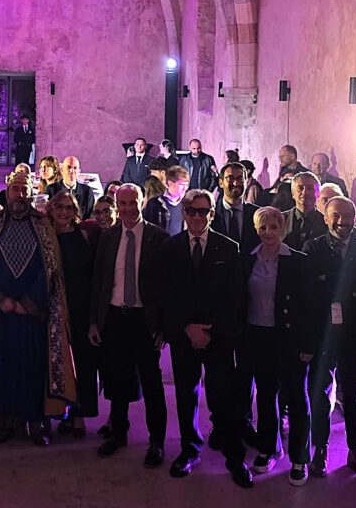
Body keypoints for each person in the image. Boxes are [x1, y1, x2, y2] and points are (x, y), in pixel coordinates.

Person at [0, 171, 75, 445]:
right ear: (7, 192)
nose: (20, 195)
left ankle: (35, 422)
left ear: (31, 193)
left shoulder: (43, 224)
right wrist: (1, 300)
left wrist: (28, 303)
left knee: (34, 366)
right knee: (2, 365)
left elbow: (50, 269)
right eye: (15, 190)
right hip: (0, 314)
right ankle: (3, 419)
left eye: (25, 190)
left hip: (33, 314)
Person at [160, 190, 250, 485]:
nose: (197, 217)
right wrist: (187, 328)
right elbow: (167, 295)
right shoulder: (170, 248)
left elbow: (234, 298)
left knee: (223, 396)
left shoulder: (229, 248)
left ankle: (234, 457)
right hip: (185, 335)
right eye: (191, 211)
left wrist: (210, 331)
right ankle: (189, 449)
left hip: (218, 336)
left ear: (212, 213)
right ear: (184, 213)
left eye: (203, 211)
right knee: (186, 395)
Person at [238, 206, 318, 484]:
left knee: (296, 397)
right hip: (258, 337)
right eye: (262, 227)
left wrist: (309, 344)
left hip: (290, 339)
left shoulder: (299, 262)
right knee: (265, 395)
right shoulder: (247, 260)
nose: (268, 232)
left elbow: (311, 307)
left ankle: (299, 457)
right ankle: (269, 448)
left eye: (274, 226)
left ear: (282, 229)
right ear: (255, 229)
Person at [90, 184, 169, 467]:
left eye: (133, 202)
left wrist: (163, 328)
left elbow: (165, 288)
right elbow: (100, 281)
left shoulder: (158, 238)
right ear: (116, 205)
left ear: (142, 201)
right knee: (117, 379)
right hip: (114, 316)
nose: (128, 209)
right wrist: (95, 322)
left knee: (152, 383)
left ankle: (157, 441)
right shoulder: (108, 237)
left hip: (143, 320)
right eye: (122, 203)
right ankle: (118, 432)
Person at [303, 197, 356, 481]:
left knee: (353, 394)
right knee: (320, 394)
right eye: (335, 216)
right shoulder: (313, 248)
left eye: (347, 216)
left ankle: (355, 449)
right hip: (323, 335)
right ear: (325, 217)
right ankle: (319, 448)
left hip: (354, 335)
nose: (342, 222)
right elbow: (309, 295)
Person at [46, 189, 99, 438]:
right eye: (60, 207)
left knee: (82, 364)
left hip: (79, 308)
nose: (64, 212)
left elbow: (92, 277)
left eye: (69, 207)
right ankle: (53, 411)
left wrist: (92, 319)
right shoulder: (45, 236)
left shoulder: (84, 236)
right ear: (52, 210)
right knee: (53, 362)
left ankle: (78, 418)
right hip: (51, 308)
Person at [212, 162, 258, 253]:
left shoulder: (256, 214)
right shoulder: (210, 213)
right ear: (221, 183)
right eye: (230, 178)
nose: (236, 183)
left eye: (240, 178)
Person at [285, 172, 328, 252]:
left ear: (318, 194)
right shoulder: (280, 219)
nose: (305, 192)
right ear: (293, 193)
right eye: (300, 188)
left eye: (310, 188)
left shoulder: (326, 224)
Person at [143, 165, 190, 236]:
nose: (185, 188)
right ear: (170, 183)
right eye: (182, 185)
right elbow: (146, 229)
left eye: (187, 185)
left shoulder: (186, 205)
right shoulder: (154, 203)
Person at [46, 155, 96, 220]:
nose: (72, 171)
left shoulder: (87, 191)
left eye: (75, 168)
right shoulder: (51, 190)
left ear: (79, 171)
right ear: (62, 170)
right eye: (68, 168)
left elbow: (90, 216)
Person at [269, 145, 309, 210]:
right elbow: (275, 188)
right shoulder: (283, 172)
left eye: (282, 156)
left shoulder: (305, 174)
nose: (280, 159)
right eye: (279, 157)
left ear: (292, 156)